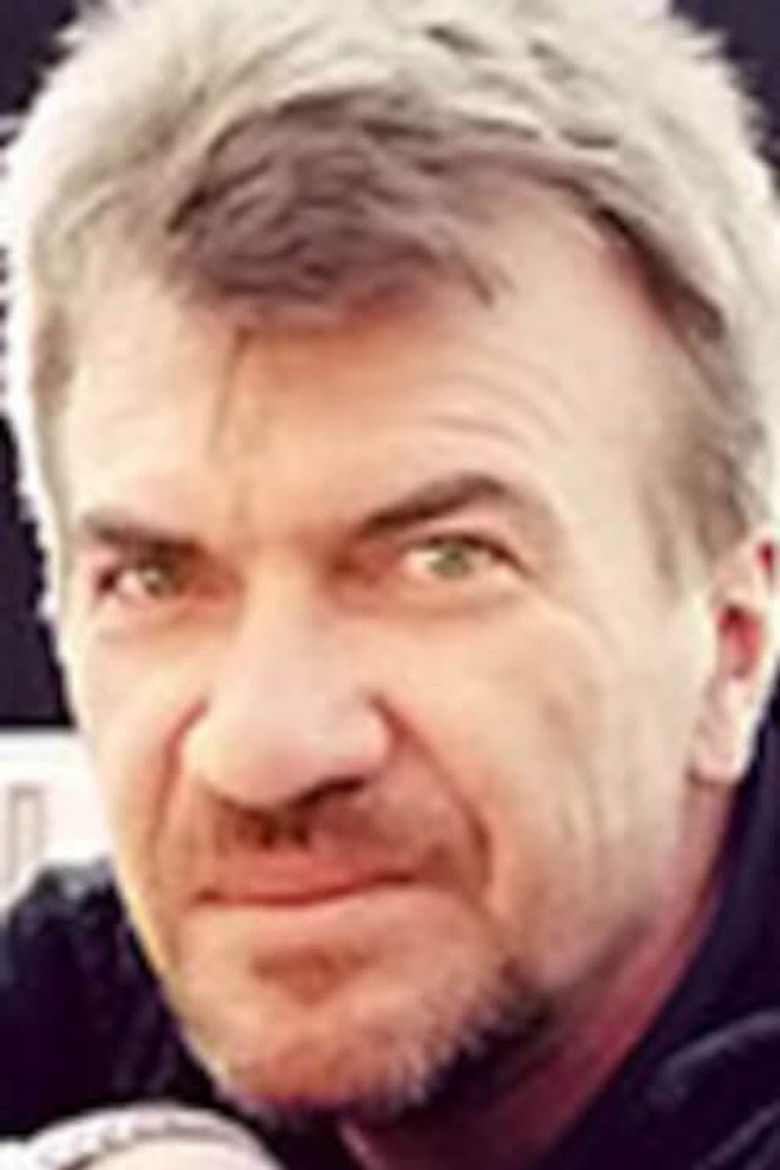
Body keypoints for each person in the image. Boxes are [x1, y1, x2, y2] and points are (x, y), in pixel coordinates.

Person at [3, 0, 780, 1166]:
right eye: (155, 578)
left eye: (443, 561)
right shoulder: (83, 1003)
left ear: (732, 646)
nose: (262, 751)